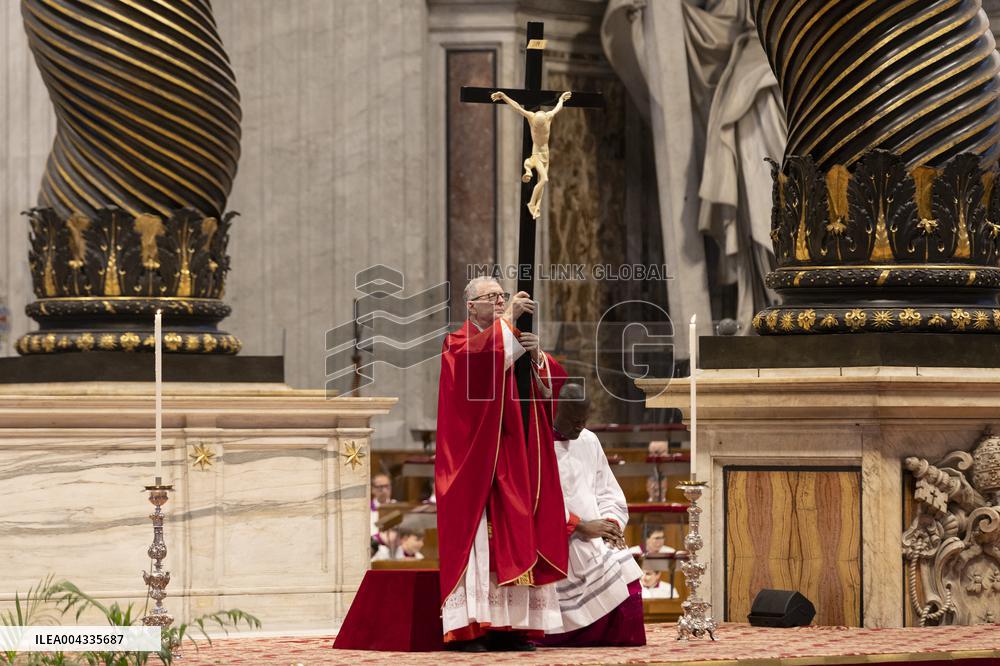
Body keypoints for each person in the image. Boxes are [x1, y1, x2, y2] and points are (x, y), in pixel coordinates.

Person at [435, 276, 569, 652]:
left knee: (515, 536)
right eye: (490, 297)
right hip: (475, 464)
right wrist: (508, 320)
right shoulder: (456, 343)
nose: (498, 301)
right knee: (480, 541)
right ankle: (469, 629)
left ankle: (508, 628)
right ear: (470, 306)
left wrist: (537, 358)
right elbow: (478, 367)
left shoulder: (509, 336)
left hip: (513, 457)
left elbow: (553, 385)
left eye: (501, 296)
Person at [538, 383, 646, 647]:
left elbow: (607, 490)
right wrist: (580, 525)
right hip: (556, 539)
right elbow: (535, 499)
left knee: (629, 583)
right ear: (556, 410)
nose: (580, 426)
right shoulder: (537, 444)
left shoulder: (588, 440)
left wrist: (610, 525)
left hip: (595, 535)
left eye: (584, 420)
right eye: (574, 420)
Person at [490, 90, 572, 219]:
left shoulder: (548, 116)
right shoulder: (531, 117)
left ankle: (537, 206)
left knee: (542, 182)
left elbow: (558, 107)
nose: (539, 128)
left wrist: (561, 99)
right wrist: (503, 96)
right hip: (537, 154)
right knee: (544, 179)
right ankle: (531, 203)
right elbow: (517, 107)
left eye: (541, 126)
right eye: (537, 127)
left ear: (546, 121)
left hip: (546, 154)